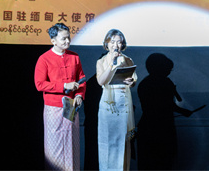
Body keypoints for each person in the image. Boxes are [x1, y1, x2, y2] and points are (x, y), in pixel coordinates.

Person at [34, 23, 86, 171]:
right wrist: (64, 86)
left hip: (71, 107)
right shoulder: (44, 59)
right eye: (63, 39)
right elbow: (39, 84)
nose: (67, 41)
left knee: (72, 145)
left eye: (68, 37)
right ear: (53, 41)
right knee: (55, 147)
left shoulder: (74, 57)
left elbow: (82, 79)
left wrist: (79, 95)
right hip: (53, 109)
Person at [137, 53, 193, 171]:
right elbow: (167, 104)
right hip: (162, 129)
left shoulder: (144, 83)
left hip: (146, 128)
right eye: (168, 69)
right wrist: (183, 111)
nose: (169, 72)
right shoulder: (164, 83)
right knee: (164, 162)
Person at [96, 29, 137, 171]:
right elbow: (101, 81)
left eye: (119, 42)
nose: (115, 45)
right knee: (107, 140)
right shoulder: (101, 61)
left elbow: (133, 81)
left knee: (122, 142)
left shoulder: (128, 60)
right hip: (108, 104)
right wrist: (111, 63)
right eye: (112, 42)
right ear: (106, 44)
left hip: (123, 102)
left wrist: (131, 82)